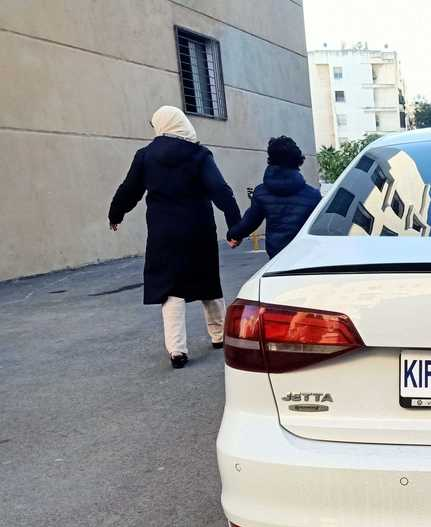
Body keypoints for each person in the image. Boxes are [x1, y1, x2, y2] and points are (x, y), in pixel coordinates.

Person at [109, 106, 241, 369]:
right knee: (208, 281)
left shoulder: (145, 156)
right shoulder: (199, 154)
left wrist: (116, 213)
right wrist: (234, 226)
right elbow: (220, 189)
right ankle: (219, 336)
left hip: (163, 233)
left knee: (171, 290)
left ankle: (177, 350)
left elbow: (129, 190)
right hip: (198, 229)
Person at [226, 136, 321, 258]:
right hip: (305, 255)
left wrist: (233, 234)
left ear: (270, 159)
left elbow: (250, 222)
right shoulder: (313, 195)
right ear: (298, 160)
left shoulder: (261, 193)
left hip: (276, 255)